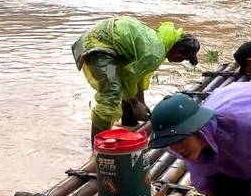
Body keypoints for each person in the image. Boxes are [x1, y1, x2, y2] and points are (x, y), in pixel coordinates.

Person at [72, 16, 201, 142]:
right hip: (99, 47)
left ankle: (128, 126)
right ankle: (98, 147)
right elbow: (127, 79)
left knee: (126, 91)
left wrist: (141, 103)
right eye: (183, 59)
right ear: (178, 53)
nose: (179, 61)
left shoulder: (159, 42)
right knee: (111, 97)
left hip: (103, 42)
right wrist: (135, 103)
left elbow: (138, 77)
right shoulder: (155, 52)